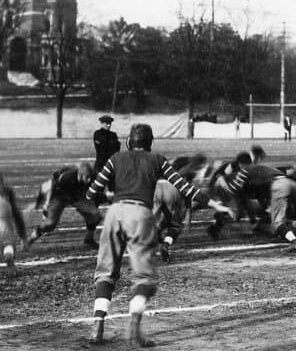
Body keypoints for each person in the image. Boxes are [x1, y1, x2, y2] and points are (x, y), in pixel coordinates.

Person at [84, 124, 231, 347]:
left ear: (129, 141)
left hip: (115, 213)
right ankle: (134, 329)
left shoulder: (116, 158)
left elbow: (92, 192)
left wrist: (116, 193)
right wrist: (214, 204)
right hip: (140, 215)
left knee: (105, 273)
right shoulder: (157, 160)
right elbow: (184, 187)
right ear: (150, 142)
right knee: (144, 277)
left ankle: (97, 326)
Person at [27, 162, 103, 249]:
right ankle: (31, 238)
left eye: (90, 177)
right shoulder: (66, 178)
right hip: (60, 195)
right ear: (80, 175)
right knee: (49, 224)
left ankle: (89, 239)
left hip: (76, 194)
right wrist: (39, 204)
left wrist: (105, 197)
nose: (89, 180)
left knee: (95, 215)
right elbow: (45, 186)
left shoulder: (91, 176)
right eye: (87, 177)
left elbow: (94, 191)